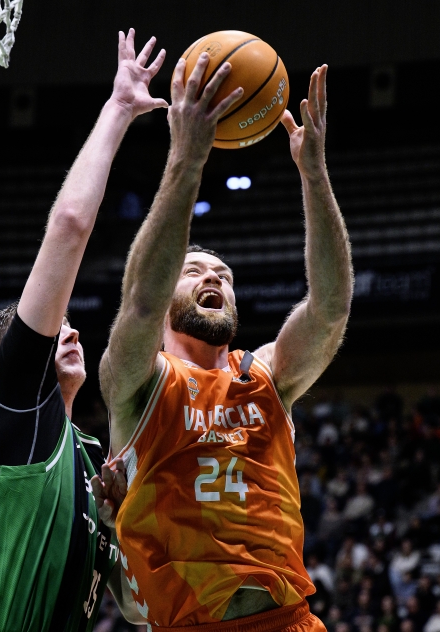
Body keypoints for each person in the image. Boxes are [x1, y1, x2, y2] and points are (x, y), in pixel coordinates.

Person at [101, 54, 351, 629]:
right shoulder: (139, 382)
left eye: (224, 275)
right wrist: (187, 158)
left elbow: (330, 310)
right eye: (193, 271)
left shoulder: (265, 377)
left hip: (289, 621)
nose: (213, 277)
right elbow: (140, 302)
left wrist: (314, 175)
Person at [0, 29, 167, 632]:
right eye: (52, 326)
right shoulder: (12, 412)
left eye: (70, 324)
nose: (69, 332)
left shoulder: (91, 458)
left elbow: (130, 604)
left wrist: (121, 524)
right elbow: (69, 225)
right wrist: (119, 108)